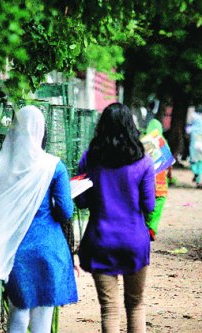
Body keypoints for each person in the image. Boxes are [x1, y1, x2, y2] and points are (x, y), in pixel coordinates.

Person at [0, 105, 77, 333]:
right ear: (42, 131)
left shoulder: (2, 168)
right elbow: (66, 211)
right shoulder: (53, 166)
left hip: (15, 249)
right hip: (47, 249)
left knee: (18, 312)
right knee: (42, 319)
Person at [75, 103, 155, 333]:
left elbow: (81, 202)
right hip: (134, 241)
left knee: (109, 309)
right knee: (136, 305)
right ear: (131, 127)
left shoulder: (90, 159)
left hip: (100, 241)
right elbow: (149, 206)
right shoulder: (144, 162)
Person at [145, 116, 168, 240]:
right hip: (160, 181)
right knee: (158, 205)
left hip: (146, 180)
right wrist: (169, 174)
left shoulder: (143, 141)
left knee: (146, 204)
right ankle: (152, 229)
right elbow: (169, 162)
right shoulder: (162, 141)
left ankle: (145, 226)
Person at [186, 111, 202, 188]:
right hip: (201, 147)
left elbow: (187, 135)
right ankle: (198, 181)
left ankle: (195, 172)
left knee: (193, 162)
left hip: (193, 147)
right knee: (200, 163)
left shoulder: (190, 129)